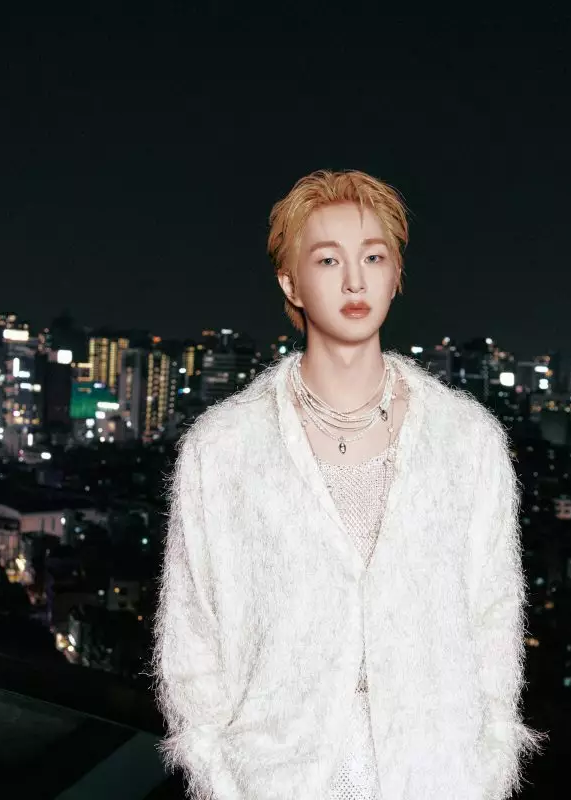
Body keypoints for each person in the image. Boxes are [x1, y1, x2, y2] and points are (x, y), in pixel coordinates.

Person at [151, 169, 546, 800]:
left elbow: (494, 614)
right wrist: (222, 778)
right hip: (275, 782)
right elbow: (191, 635)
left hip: (436, 777)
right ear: (291, 282)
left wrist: (488, 760)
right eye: (329, 260)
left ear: (396, 275)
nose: (355, 281)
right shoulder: (223, 449)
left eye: (374, 258)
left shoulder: (467, 441)